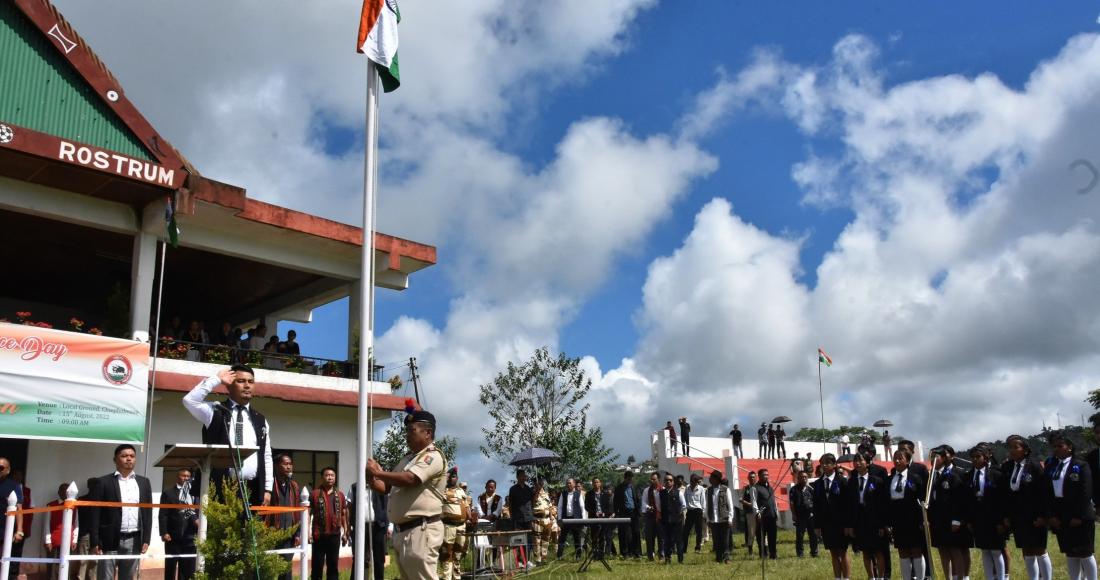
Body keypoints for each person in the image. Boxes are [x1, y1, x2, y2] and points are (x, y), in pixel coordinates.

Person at [366, 408, 448, 580]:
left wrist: (379, 473)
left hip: (421, 529)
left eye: (412, 431)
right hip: (404, 531)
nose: (407, 435)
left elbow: (410, 479)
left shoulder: (432, 457)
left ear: (428, 433)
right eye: (407, 431)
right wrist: (372, 478)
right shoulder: (409, 458)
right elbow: (387, 487)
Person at [182, 365, 274, 506]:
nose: (247, 386)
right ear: (229, 384)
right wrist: (217, 379)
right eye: (241, 381)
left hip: (253, 489)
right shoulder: (215, 410)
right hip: (220, 488)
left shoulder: (260, 419)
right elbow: (190, 401)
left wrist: (267, 489)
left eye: (250, 382)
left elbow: (266, 455)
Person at [89, 444, 153, 580]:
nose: (129, 459)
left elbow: (148, 512)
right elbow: (95, 513)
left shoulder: (144, 482)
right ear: (115, 459)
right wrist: (95, 541)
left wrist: (146, 538)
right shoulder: (103, 482)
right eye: (124, 456)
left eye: (132, 456)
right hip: (109, 538)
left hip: (134, 540)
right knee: (105, 577)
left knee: (128, 577)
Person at [1046, 431, 1097, 579]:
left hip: (1080, 515)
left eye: (1060, 446)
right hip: (1061, 515)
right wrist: (1052, 515)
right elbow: (1048, 492)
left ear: (1069, 447)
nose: (1056, 449)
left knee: (1085, 553)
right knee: (1070, 553)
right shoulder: (1053, 467)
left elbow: (1085, 492)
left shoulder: (1081, 465)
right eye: (1054, 446)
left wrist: (1078, 515)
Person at [1003, 434, 1053, 580]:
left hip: (1036, 515)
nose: (1011, 450)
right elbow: (1005, 494)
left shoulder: (1035, 465)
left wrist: (1044, 516)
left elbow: (1045, 492)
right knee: (1027, 550)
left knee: (1039, 549)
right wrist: (1007, 516)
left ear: (1025, 450)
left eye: (1015, 447)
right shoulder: (1007, 467)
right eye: (1010, 447)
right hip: (1018, 516)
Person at [928, 445, 971, 580]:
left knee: (956, 549)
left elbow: (960, 499)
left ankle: (962, 576)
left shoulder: (955, 474)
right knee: (943, 550)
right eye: (931, 457)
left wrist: (957, 519)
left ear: (945, 458)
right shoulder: (932, 475)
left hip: (952, 519)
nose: (933, 460)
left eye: (936, 457)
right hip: (938, 520)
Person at [966, 443, 1008, 580]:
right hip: (978, 517)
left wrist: (1001, 520)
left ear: (986, 458)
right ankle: (989, 577)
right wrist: (970, 519)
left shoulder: (996, 474)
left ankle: (1001, 577)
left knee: (996, 551)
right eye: (972, 457)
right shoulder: (969, 475)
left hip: (994, 517)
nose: (975, 460)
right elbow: (968, 499)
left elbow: (1002, 499)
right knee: (985, 550)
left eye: (978, 457)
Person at [846, 451, 889, 580]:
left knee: (878, 551)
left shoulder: (877, 481)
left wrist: (882, 525)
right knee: (866, 551)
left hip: (875, 521)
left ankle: (881, 577)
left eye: (861, 460)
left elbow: (882, 504)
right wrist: (851, 525)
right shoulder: (852, 482)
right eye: (855, 461)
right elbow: (850, 505)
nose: (858, 463)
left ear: (868, 462)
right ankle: (871, 577)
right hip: (860, 521)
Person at [887, 448, 927, 580]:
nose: (897, 461)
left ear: (907, 461)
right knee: (902, 551)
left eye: (900, 458)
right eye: (895, 458)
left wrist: (923, 519)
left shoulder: (915, 478)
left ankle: (920, 577)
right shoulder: (890, 479)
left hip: (913, 519)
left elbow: (922, 499)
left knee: (916, 550)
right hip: (897, 519)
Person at [812, 453, 849, 579]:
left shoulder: (842, 481)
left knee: (843, 552)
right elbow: (816, 506)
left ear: (834, 465)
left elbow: (847, 505)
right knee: (833, 553)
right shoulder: (817, 484)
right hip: (826, 523)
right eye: (823, 463)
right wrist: (817, 526)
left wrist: (848, 525)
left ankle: (846, 577)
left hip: (841, 523)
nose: (825, 465)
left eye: (828, 463)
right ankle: (837, 577)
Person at [347, 476, 390, 580]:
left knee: (379, 558)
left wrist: (390, 525)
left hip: (379, 526)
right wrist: (348, 525)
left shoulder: (382, 486)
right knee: (359, 557)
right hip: (360, 527)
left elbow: (388, 505)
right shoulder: (354, 487)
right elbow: (349, 506)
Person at [159, 468, 199, 580]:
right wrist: (164, 532)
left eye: (188, 476)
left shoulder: (195, 492)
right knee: (170, 567)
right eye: (183, 476)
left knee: (187, 569)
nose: (186, 478)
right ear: (177, 477)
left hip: (190, 537)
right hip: (173, 536)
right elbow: (163, 514)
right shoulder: (168, 492)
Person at [311, 466, 349, 580]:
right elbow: (308, 514)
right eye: (327, 475)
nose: (330, 478)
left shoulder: (340, 495)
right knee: (317, 565)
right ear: (322, 478)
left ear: (335, 478)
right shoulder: (315, 494)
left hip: (334, 535)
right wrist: (308, 532)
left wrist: (345, 532)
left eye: (332, 475)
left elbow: (343, 514)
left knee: (333, 565)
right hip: (319, 535)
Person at [268, 454, 302, 580]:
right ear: (276, 466)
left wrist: (297, 533)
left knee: (286, 569)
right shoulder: (270, 485)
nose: (289, 467)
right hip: (271, 533)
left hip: (289, 534)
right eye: (285, 464)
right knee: (268, 568)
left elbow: (297, 512)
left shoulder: (293, 486)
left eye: (290, 464)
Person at [43, 483, 78, 580]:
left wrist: (74, 539)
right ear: (58, 492)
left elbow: (76, 523)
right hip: (54, 540)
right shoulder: (51, 505)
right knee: (53, 567)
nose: (64, 492)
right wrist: (48, 540)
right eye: (62, 490)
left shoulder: (74, 505)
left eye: (66, 491)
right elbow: (46, 523)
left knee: (66, 566)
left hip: (68, 540)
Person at [439, 467, 469, 580]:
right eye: (451, 477)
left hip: (461, 526)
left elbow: (466, 506)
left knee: (458, 554)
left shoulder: (461, 491)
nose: (453, 479)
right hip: (448, 526)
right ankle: (446, 577)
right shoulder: (442, 490)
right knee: (447, 553)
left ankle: (456, 577)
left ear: (457, 478)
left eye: (454, 477)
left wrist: (471, 519)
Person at [0, 459, 24, 579]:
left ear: (8, 470)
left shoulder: (14, 486)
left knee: (3, 560)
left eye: (1, 468)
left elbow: (19, 508)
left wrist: (19, 530)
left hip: (5, 531)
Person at [507, 469, 535, 565]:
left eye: (525, 476)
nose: (524, 477)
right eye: (522, 476)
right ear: (517, 477)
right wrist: (511, 516)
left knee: (528, 540)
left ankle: (527, 560)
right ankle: (518, 560)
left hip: (528, 518)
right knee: (518, 539)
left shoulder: (529, 489)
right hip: (517, 518)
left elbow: (533, 501)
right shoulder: (513, 489)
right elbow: (510, 504)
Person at [705, 470, 734, 564]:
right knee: (716, 540)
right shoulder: (708, 490)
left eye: (712, 477)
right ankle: (718, 558)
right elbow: (707, 505)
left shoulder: (725, 489)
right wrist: (708, 519)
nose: (710, 479)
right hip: (713, 519)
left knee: (725, 539)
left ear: (716, 479)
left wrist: (730, 518)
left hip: (724, 518)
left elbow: (730, 505)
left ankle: (727, 557)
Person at [556, 478, 587, 560]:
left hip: (576, 519)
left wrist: (583, 519)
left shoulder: (578, 494)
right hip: (565, 519)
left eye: (570, 483)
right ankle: (559, 556)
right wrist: (559, 519)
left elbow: (582, 507)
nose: (568, 484)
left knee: (577, 538)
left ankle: (578, 556)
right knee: (562, 538)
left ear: (574, 484)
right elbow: (559, 507)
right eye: (567, 483)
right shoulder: (563, 494)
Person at [74, 477, 99, 580]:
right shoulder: (81, 500)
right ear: (89, 486)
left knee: (94, 561)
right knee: (84, 560)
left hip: (95, 535)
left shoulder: (100, 500)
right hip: (85, 533)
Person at [789, 470, 818, 558]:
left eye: (805, 477)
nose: (804, 479)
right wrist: (794, 514)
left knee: (813, 535)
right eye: (802, 477)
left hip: (811, 516)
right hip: (800, 516)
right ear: (798, 479)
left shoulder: (810, 489)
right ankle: (800, 553)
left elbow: (815, 502)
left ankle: (814, 552)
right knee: (800, 536)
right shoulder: (793, 489)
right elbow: (792, 503)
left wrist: (814, 513)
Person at [658, 474, 685, 564]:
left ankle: (680, 560)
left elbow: (683, 505)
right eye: (666, 480)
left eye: (670, 480)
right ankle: (667, 558)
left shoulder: (678, 492)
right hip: (665, 521)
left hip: (676, 521)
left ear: (673, 482)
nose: (668, 481)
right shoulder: (661, 493)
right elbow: (658, 506)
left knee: (678, 540)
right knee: (667, 541)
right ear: (664, 482)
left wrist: (679, 514)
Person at [613, 470, 641, 559]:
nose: (629, 480)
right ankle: (625, 553)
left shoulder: (634, 487)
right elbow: (615, 502)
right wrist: (616, 513)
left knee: (636, 532)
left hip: (634, 512)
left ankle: (636, 552)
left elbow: (637, 499)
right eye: (628, 479)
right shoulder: (619, 488)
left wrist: (639, 510)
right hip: (623, 513)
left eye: (631, 479)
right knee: (624, 534)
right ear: (625, 478)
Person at [584, 478, 614, 559]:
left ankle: (601, 554)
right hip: (593, 517)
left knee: (602, 537)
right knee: (594, 537)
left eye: (597, 482)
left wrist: (605, 513)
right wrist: (594, 512)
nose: (595, 484)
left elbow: (609, 506)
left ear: (600, 483)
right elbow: (586, 507)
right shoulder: (589, 494)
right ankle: (594, 554)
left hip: (604, 517)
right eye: (594, 482)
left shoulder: (605, 494)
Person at [755, 469, 779, 560]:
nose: (766, 476)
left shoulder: (770, 487)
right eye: (764, 475)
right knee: (761, 536)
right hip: (762, 516)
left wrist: (776, 512)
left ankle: (773, 554)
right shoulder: (756, 488)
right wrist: (757, 513)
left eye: (767, 475)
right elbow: (754, 502)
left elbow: (774, 501)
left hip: (772, 516)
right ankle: (763, 554)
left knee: (772, 536)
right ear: (759, 476)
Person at [682, 473, 707, 553]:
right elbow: (685, 499)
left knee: (698, 531)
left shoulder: (701, 489)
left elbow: (703, 501)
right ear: (691, 481)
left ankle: (698, 547)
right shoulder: (687, 488)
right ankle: (684, 548)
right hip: (690, 511)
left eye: (696, 481)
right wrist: (685, 508)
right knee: (686, 531)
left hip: (698, 511)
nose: (695, 483)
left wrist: (703, 512)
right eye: (694, 481)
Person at [530, 478, 553, 565]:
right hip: (537, 519)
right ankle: (537, 559)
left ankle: (544, 558)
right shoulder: (532, 493)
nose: (540, 485)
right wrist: (536, 493)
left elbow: (550, 506)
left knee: (546, 539)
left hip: (547, 519)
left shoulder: (546, 494)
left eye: (541, 483)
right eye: (538, 483)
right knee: (536, 540)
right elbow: (532, 503)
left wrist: (551, 518)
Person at [642, 472, 663, 560]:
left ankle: (661, 554)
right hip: (650, 516)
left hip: (660, 517)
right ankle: (650, 555)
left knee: (661, 537)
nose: (652, 481)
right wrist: (647, 507)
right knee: (650, 537)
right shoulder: (647, 490)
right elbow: (643, 502)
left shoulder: (663, 490)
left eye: (654, 479)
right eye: (651, 479)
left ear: (658, 479)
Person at [740, 471, 759, 555]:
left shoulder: (759, 488)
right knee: (751, 532)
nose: (752, 478)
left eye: (753, 477)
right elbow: (741, 499)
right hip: (750, 513)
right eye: (750, 477)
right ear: (748, 478)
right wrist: (749, 504)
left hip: (759, 512)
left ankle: (764, 548)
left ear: (756, 478)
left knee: (762, 531)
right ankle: (750, 549)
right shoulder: (745, 488)